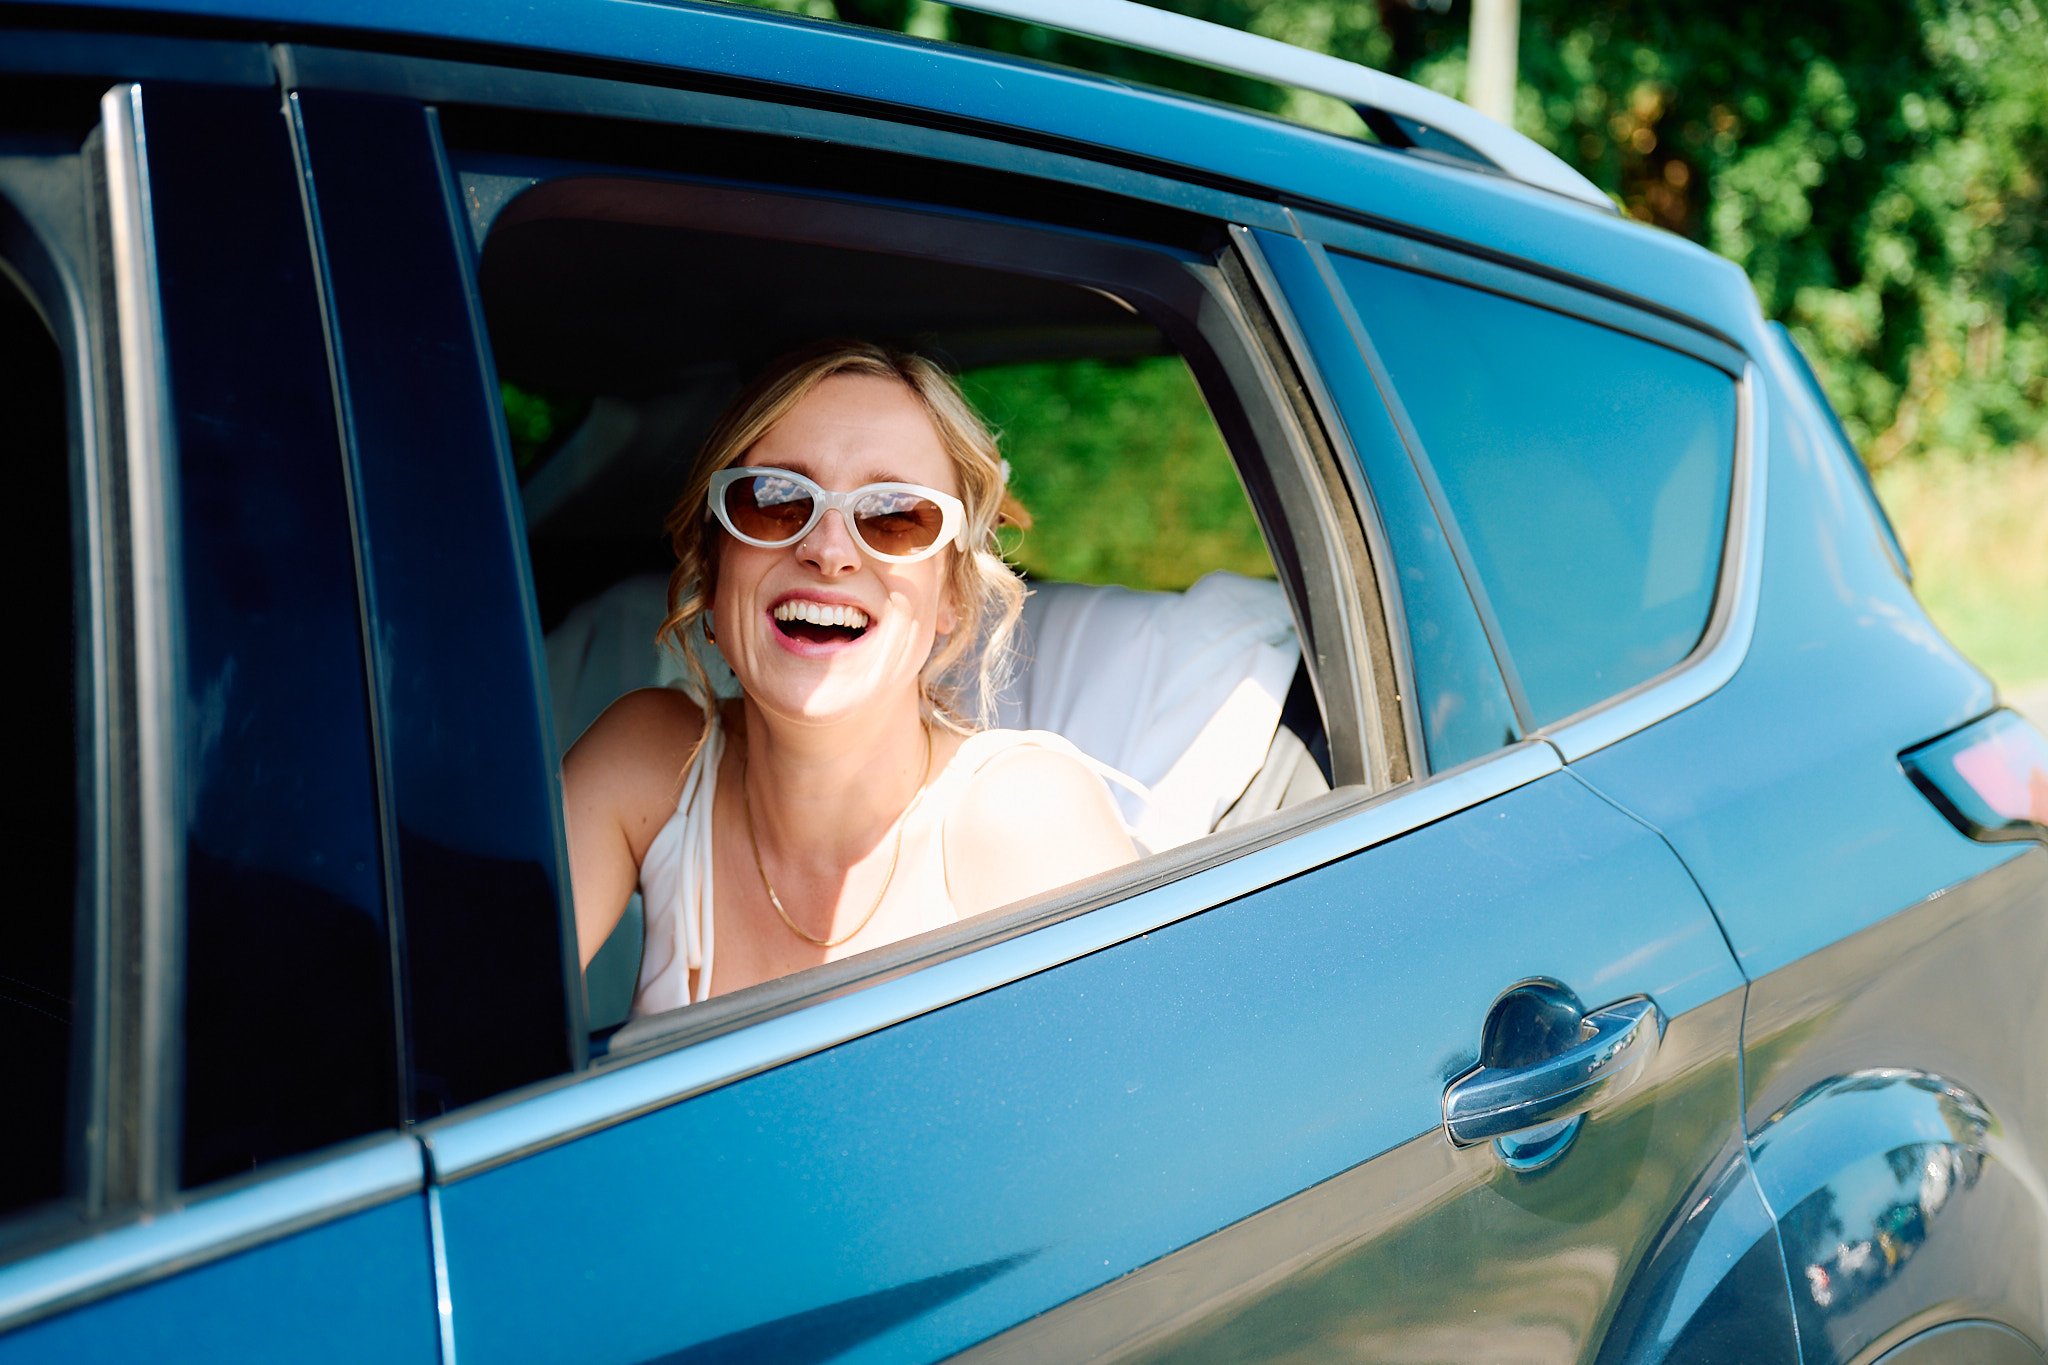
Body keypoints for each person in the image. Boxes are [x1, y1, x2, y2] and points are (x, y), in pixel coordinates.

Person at [563, 340, 1140, 1012]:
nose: (829, 550)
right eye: (776, 498)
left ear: (952, 596)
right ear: (715, 571)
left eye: (894, 515)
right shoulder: (651, 761)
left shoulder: (1021, 821)